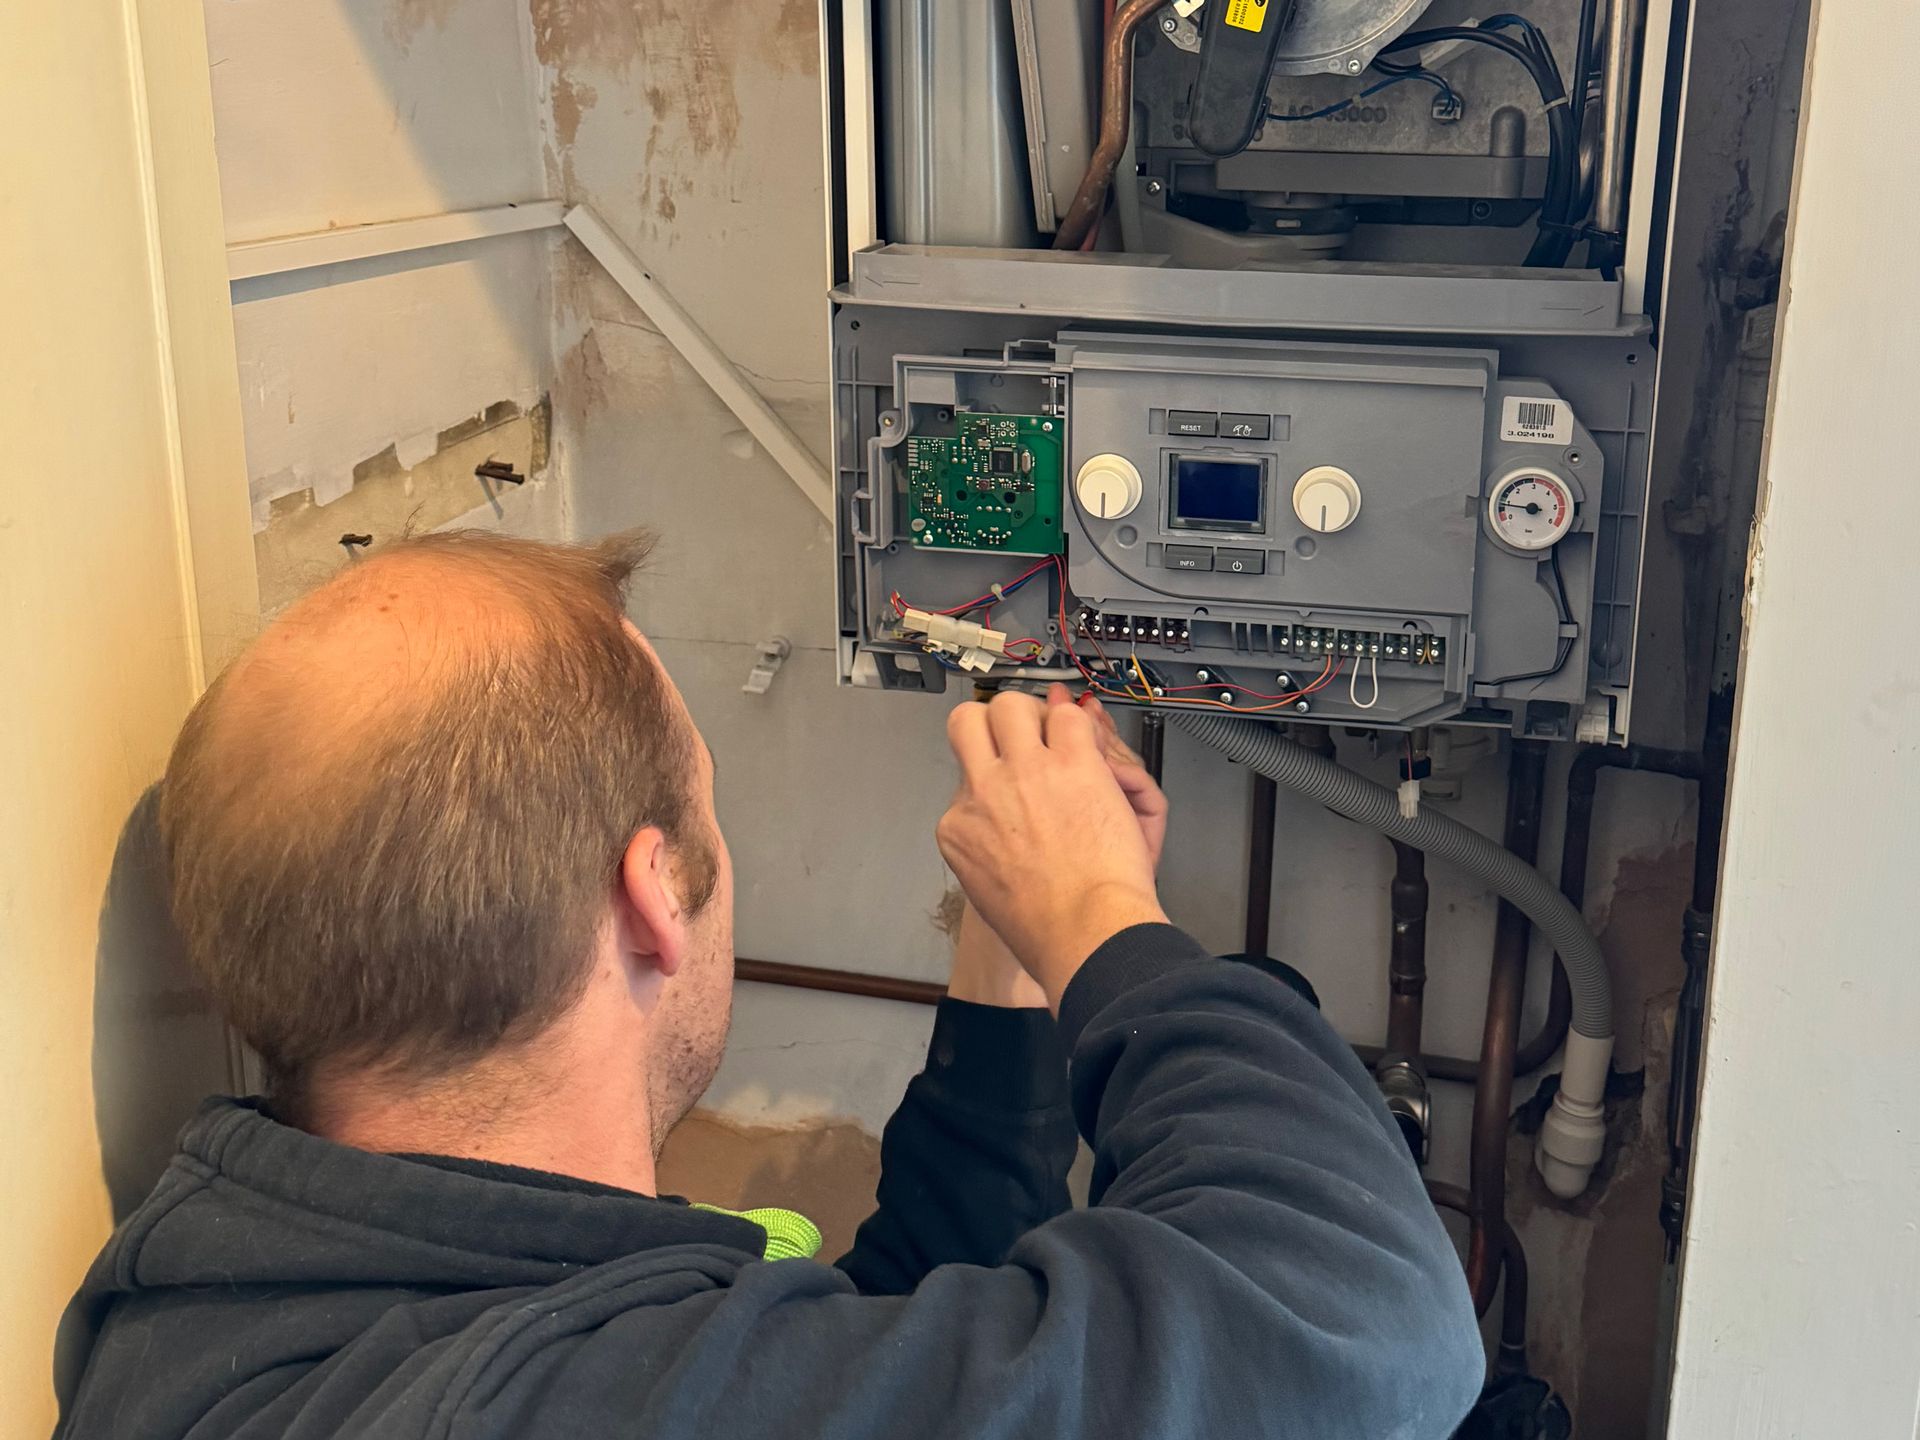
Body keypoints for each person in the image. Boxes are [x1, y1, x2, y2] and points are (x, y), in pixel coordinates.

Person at [53, 530, 1482, 1439]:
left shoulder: (193, 1304)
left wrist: (1009, 959)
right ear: (648, 895)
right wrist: (1107, 921)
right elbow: (1364, 1326)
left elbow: (872, 1359)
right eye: (711, 824)